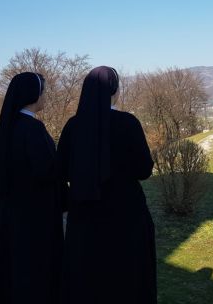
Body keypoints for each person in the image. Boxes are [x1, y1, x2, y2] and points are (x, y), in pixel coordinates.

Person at [58, 66, 157, 304]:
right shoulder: (128, 123)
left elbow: (61, 169)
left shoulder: (73, 125)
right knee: (127, 277)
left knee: (88, 278)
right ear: (114, 91)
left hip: (84, 214)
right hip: (126, 214)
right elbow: (144, 170)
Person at [0, 72, 63, 304]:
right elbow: (44, 169)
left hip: (15, 206)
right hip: (35, 208)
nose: (45, 97)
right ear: (33, 95)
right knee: (35, 266)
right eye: (44, 92)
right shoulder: (32, 127)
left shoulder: (12, 125)